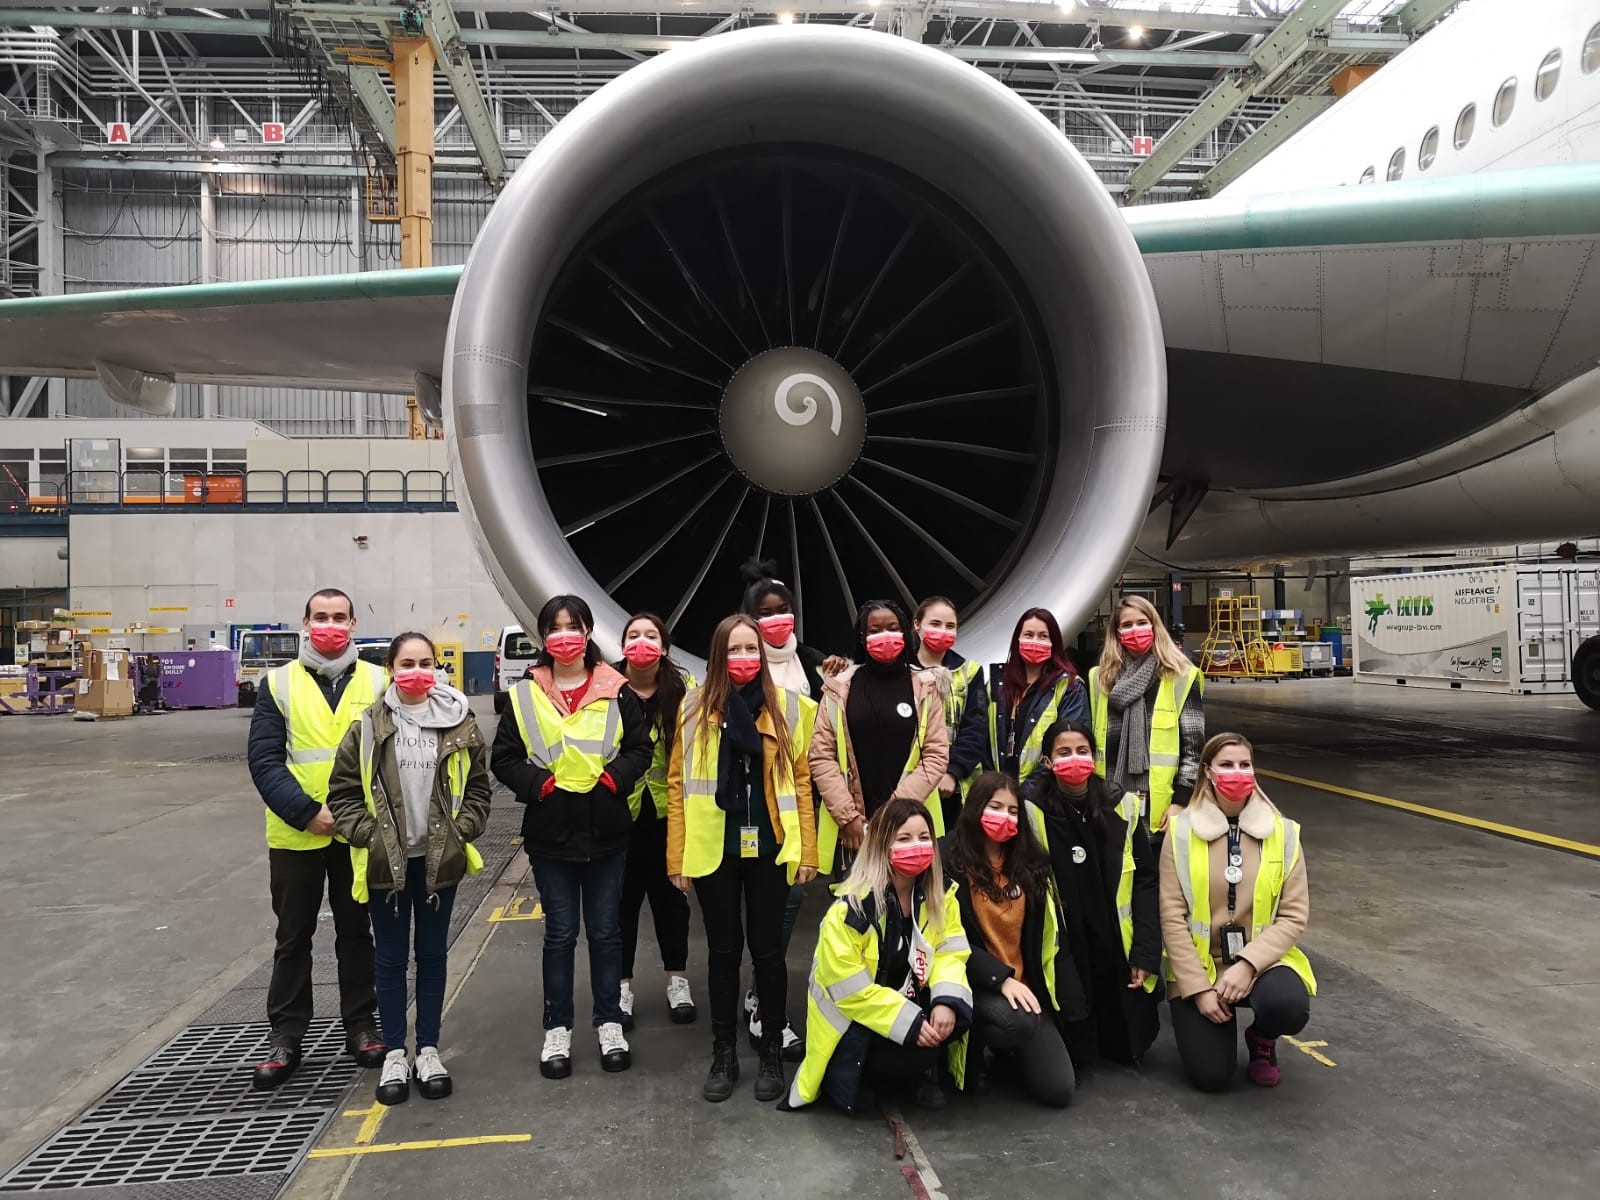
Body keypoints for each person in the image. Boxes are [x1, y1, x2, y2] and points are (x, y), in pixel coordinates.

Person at [491, 595, 653, 1080]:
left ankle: (608, 1022)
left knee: (606, 934)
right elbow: (503, 756)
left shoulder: (616, 689)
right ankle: (557, 1028)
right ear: (544, 638)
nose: (565, 636)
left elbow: (640, 748)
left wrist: (613, 780)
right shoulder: (525, 693)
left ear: (588, 633)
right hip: (550, 835)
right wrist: (537, 785)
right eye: (555, 628)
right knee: (560, 935)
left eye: (573, 626)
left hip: (605, 832)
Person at [327, 632, 492, 1105]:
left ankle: (428, 1049)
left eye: (425, 662)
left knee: (434, 956)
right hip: (389, 866)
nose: (416, 671)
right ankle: (396, 1051)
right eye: (406, 663)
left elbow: (479, 787)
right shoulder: (368, 726)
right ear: (390, 669)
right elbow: (342, 794)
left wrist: (462, 830)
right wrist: (371, 837)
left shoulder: (459, 722)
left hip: (440, 861)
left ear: (437, 667)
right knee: (391, 959)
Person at [666, 614, 818, 1103]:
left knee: (770, 953)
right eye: (734, 650)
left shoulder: (792, 709)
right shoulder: (693, 709)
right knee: (723, 952)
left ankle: (771, 1049)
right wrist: (676, 856)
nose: (745, 659)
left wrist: (808, 849)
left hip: (773, 847)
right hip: (715, 849)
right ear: (717, 656)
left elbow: (801, 783)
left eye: (752, 649)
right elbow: (676, 784)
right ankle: (723, 1053)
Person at [247, 587, 387, 1090]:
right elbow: (264, 760)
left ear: (354, 623)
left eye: (340, 617)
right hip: (295, 834)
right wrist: (306, 812)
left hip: (358, 834)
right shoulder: (277, 684)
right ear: (304, 623)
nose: (331, 625)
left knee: (357, 935)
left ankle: (362, 1026)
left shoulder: (379, 680)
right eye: (321, 617)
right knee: (292, 939)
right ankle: (285, 1037)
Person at [782, 798, 972, 1114]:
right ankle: (859, 1077)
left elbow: (951, 955)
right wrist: (909, 1021)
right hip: (853, 1022)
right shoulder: (850, 910)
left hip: (902, 1009)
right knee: (891, 1052)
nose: (918, 846)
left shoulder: (941, 897)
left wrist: (945, 1003)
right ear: (883, 847)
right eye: (904, 839)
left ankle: (904, 1075)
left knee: (945, 1025)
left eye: (925, 838)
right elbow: (851, 993)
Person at [1161, 732, 1315, 1092]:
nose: (1237, 773)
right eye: (1227, 765)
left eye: (1244, 765)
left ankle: (1262, 1038)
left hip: (1260, 963)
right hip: (1200, 966)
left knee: (1287, 1006)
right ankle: (1210, 1019)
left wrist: (1248, 964)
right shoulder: (1181, 832)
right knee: (1211, 1077)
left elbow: (1294, 916)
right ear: (1208, 773)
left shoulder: (1284, 833)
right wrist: (1199, 989)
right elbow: (1171, 915)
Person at [1023, 720, 1161, 1070]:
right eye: (1064, 753)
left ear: (1095, 757)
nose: (1075, 759)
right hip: (1066, 944)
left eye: (1082, 752)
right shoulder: (1032, 810)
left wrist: (1145, 952)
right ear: (1047, 762)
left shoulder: (1122, 805)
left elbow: (1146, 879)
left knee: (1126, 1046)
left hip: (1117, 943)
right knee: (1077, 1052)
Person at [939, 773, 1079, 1107]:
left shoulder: (1032, 863)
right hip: (976, 984)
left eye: (1013, 811)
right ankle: (979, 1045)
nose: (1005, 817)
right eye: (995, 806)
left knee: (1060, 1090)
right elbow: (945, 939)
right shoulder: (945, 860)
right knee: (1015, 1021)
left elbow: (1052, 939)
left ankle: (1009, 1054)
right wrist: (999, 978)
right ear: (975, 808)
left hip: (1027, 989)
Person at [810, 600, 950, 878]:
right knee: (855, 916)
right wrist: (848, 817)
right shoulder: (839, 687)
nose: (884, 635)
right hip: (853, 831)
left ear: (905, 633)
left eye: (892, 628)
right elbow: (821, 755)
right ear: (862, 638)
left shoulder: (926, 687)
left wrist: (893, 813)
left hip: (909, 826)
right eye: (875, 630)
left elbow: (935, 756)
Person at [614, 613, 697, 1030]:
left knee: (672, 903)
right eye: (633, 635)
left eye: (651, 636)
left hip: (669, 814)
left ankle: (676, 980)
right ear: (622, 643)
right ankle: (622, 985)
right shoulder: (606, 688)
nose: (642, 642)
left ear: (664, 647)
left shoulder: (684, 692)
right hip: (620, 814)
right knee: (622, 904)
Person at [1089, 595, 1205, 837]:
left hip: (1159, 808)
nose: (1135, 630)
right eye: (1127, 625)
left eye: (1142, 622)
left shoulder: (1181, 676)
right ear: (1116, 632)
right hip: (1108, 802)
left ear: (1155, 626)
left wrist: (1181, 801)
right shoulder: (1099, 679)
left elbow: (1194, 750)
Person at [912, 596, 989, 833]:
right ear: (917, 625)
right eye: (935, 624)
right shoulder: (902, 670)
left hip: (954, 788)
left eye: (950, 626)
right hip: (910, 782)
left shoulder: (970, 671)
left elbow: (975, 728)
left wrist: (952, 772)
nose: (943, 631)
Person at [987, 607, 1088, 782]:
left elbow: (1069, 747)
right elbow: (984, 742)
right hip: (1000, 792)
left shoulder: (1069, 687)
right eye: (1028, 635)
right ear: (1017, 640)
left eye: (1043, 636)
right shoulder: (996, 684)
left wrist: (1027, 793)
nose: (1035, 641)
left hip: (1043, 795)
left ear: (1054, 643)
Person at [740, 558, 828, 700]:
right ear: (750, 618)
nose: (777, 618)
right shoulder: (739, 664)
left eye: (783, 610)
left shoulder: (813, 660)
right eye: (765, 613)